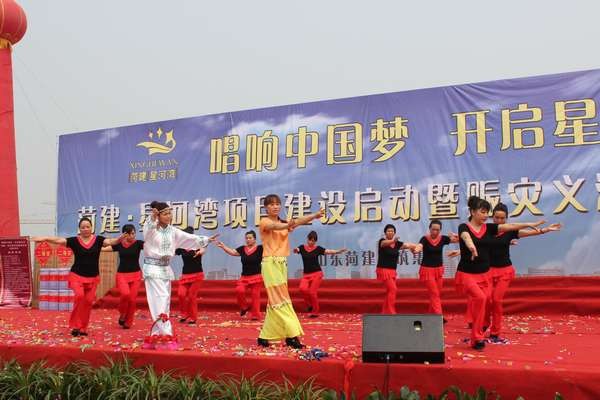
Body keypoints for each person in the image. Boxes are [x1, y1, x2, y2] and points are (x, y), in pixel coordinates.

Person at [457, 196, 545, 351]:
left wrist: (529, 224)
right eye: (483, 212)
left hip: (487, 273)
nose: (485, 215)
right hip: (468, 273)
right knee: (481, 299)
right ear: (472, 212)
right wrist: (471, 247)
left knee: (487, 301)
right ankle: (479, 334)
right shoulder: (463, 226)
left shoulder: (489, 229)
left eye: (487, 212)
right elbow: (465, 237)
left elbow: (511, 227)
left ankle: (478, 336)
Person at [141, 201, 218, 349]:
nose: (169, 216)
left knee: (164, 301)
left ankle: (157, 333)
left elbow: (189, 238)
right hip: (153, 269)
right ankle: (166, 333)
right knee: (161, 299)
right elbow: (147, 230)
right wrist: (152, 217)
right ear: (158, 215)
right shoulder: (151, 228)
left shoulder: (173, 231)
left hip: (165, 269)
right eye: (165, 214)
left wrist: (206, 240)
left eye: (170, 213)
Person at [32, 217, 124, 336]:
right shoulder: (74, 241)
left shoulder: (98, 240)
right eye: (83, 227)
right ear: (79, 229)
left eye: (87, 227)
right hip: (77, 275)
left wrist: (120, 239)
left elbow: (112, 242)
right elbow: (59, 240)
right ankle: (75, 326)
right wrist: (45, 238)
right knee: (79, 296)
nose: (85, 229)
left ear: (91, 228)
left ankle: (83, 328)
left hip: (92, 277)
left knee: (88, 302)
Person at [485, 202, 561, 342]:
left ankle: (495, 332)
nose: (499, 220)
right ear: (492, 217)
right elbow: (473, 240)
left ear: (506, 218)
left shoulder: (510, 231)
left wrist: (546, 230)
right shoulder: (486, 230)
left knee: (496, 300)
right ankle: (484, 323)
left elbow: (530, 233)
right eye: (497, 217)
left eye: (502, 218)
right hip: (487, 271)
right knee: (485, 299)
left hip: (505, 271)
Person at [257, 194, 324, 349]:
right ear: (266, 207)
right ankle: (292, 336)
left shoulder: (284, 222)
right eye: (271, 204)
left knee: (275, 301)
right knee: (281, 299)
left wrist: (314, 215)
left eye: (277, 204)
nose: (275, 206)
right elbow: (275, 227)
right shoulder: (264, 221)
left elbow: (298, 221)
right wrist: (288, 224)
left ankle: (264, 336)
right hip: (270, 263)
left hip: (281, 264)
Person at [293, 230, 347, 318]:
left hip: (317, 274)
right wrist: (296, 250)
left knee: (312, 292)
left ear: (315, 241)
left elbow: (328, 251)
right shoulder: (302, 247)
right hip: (306, 275)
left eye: (313, 241)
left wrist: (338, 251)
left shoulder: (318, 249)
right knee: (302, 289)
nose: (311, 242)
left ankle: (315, 312)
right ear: (307, 239)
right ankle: (309, 305)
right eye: (310, 240)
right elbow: (297, 250)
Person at [101, 224, 144, 329]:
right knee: (125, 294)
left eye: (133, 233)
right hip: (122, 275)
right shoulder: (119, 245)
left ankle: (128, 322)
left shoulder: (139, 243)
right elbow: (103, 249)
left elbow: (152, 247)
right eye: (129, 234)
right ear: (124, 234)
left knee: (132, 300)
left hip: (136, 275)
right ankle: (122, 313)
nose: (132, 236)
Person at [216, 230, 264, 320]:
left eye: (250, 238)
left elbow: (270, 249)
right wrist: (223, 247)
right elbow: (232, 252)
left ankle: (255, 315)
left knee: (255, 296)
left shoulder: (260, 248)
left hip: (256, 277)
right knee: (239, 290)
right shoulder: (242, 249)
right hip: (244, 277)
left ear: (255, 239)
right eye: (246, 238)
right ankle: (244, 307)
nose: (248, 240)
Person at [417, 220, 458, 320]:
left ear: (440, 230)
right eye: (433, 229)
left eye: (437, 230)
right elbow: (420, 245)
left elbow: (460, 240)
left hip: (438, 270)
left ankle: (430, 315)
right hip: (427, 270)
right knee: (434, 293)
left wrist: (456, 236)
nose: (435, 232)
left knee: (436, 294)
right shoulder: (425, 239)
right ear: (429, 228)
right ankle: (439, 317)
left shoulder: (443, 238)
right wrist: (417, 248)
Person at [375, 224, 420, 314]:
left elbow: (408, 245)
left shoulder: (397, 244)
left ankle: (385, 312)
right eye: (388, 231)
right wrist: (393, 241)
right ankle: (391, 312)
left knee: (389, 291)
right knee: (393, 289)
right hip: (383, 270)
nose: (390, 232)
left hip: (392, 271)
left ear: (394, 233)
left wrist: (417, 246)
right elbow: (384, 244)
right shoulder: (382, 241)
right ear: (385, 233)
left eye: (392, 231)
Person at [175, 226, 207, 325]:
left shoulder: (198, 244)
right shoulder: (181, 247)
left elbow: (203, 249)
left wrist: (201, 252)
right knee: (181, 294)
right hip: (185, 275)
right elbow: (172, 251)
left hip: (197, 275)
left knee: (191, 296)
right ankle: (184, 314)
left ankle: (193, 318)